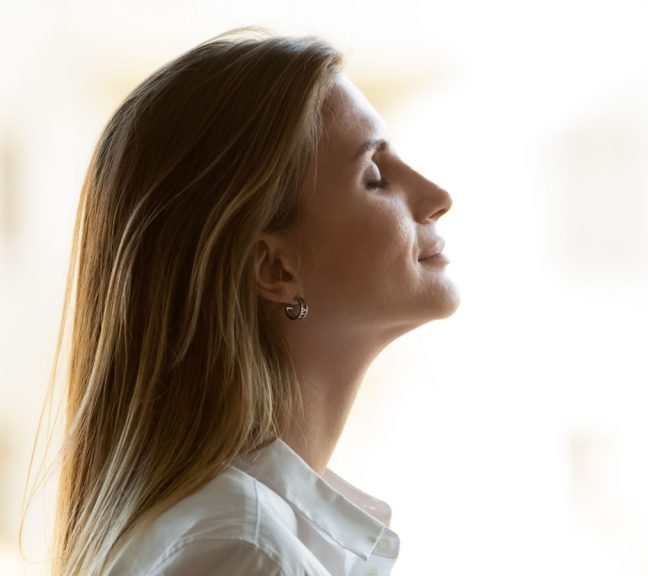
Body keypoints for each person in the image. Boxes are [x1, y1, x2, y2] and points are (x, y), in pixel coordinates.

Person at [26, 25, 459, 576]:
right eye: (374, 175)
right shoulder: (242, 551)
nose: (438, 198)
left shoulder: (239, 535)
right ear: (275, 267)